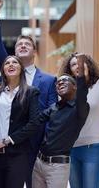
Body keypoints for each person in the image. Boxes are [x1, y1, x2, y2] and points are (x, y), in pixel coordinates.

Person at [0, 0, 58, 187]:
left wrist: (45, 141)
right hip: (8, 148)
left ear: (34, 51)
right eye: (19, 44)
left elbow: (53, 112)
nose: (23, 46)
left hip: (37, 148)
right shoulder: (6, 74)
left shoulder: (49, 80)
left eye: (28, 44)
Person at [58, 4, 99, 188]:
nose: (77, 66)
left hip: (94, 148)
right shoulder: (66, 93)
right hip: (71, 150)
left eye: (81, 62)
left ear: (88, 65)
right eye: (73, 64)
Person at [32, 54, 90, 188]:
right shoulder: (54, 108)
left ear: (75, 87)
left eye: (65, 81)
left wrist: (80, 68)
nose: (60, 83)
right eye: (58, 82)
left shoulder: (80, 108)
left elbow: (82, 93)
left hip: (58, 167)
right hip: (39, 162)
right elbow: (34, 122)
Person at [0, 55, 40, 188]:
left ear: (21, 69)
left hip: (18, 154)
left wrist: (8, 140)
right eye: (7, 63)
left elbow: (34, 124)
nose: (11, 65)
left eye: (15, 62)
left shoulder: (31, 92)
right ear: (3, 70)